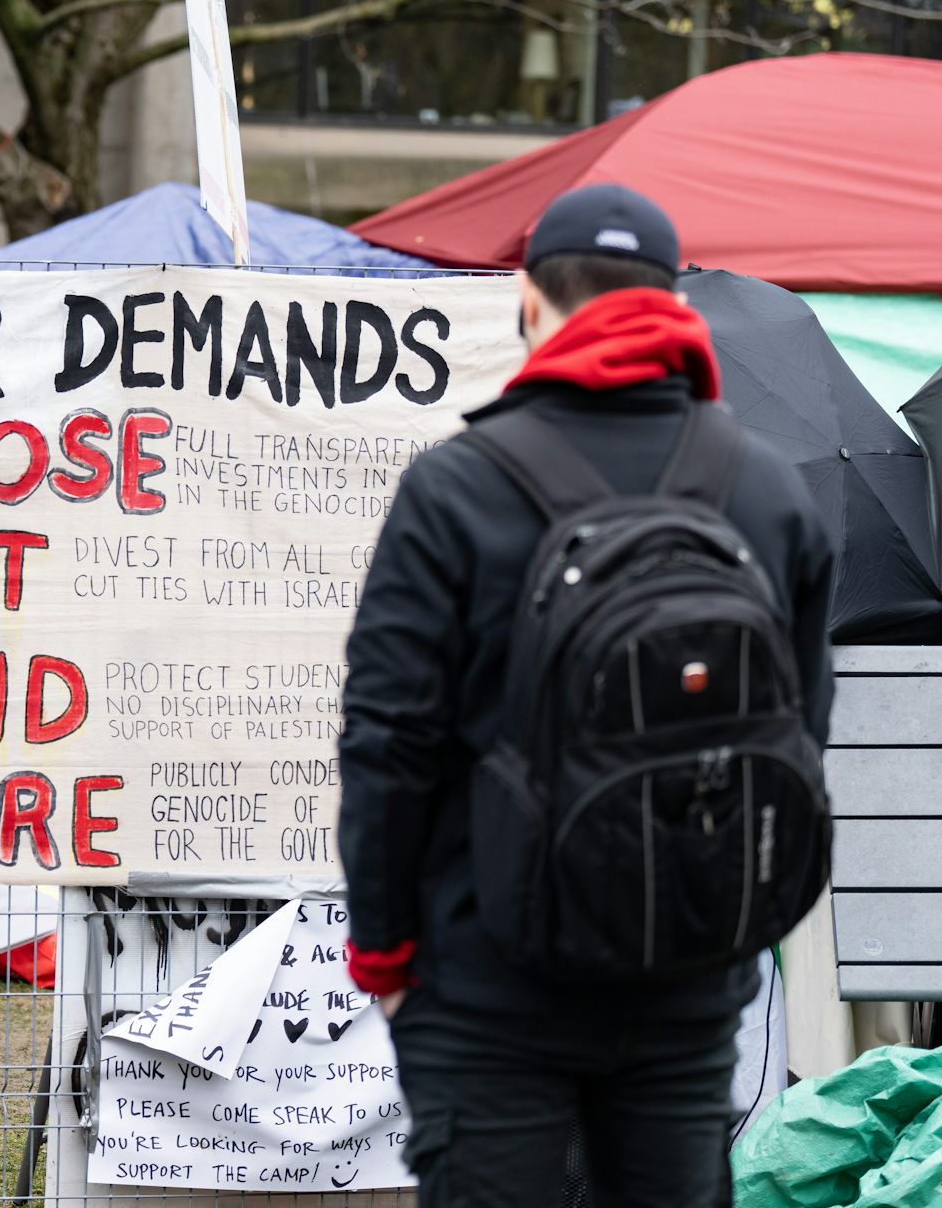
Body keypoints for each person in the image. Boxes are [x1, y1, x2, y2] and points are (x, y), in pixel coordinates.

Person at [336, 183, 835, 1207]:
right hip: (689, 978)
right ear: (671, 302)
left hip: (487, 978)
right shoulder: (770, 489)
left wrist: (384, 949)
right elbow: (802, 733)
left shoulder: (457, 486)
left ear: (530, 301)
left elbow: (389, 743)